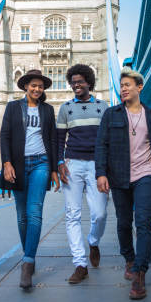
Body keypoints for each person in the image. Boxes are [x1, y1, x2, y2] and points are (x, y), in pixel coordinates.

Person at [95, 67, 151, 300]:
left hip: (146, 175)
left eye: (127, 85)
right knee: (123, 222)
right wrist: (101, 173)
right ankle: (129, 258)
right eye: (121, 86)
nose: (123, 89)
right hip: (119, 176)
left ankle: (140, 271)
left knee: (144, 223)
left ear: (139, 87)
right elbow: (102, 145)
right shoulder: (111, 114)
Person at [0, 69, 60, 290]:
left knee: (34, 212)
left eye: (40, 86)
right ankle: (29, 253)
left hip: (41, 163)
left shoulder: (47, 110)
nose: (37, 89)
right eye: (33, 85)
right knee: (21, 215)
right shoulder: (13, 107)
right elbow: (5, 135)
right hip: (18, 164)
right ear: (26, 86)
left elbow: (53, 140)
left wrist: (53, 169)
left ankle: (27, 262)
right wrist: (6, 163)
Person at [57, 64, 109, 284]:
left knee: (100, 214)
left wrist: (106, 168)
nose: (76, 85)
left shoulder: (103, 106)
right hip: (73, 164)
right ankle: (80, 264)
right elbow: (59, 139)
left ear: (89, 82)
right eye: (73, 82)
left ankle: (93, 241)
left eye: (80, 81)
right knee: (72, 215)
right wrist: (60, 162)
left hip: (97, 165)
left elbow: (109, 140)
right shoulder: (65, 108)